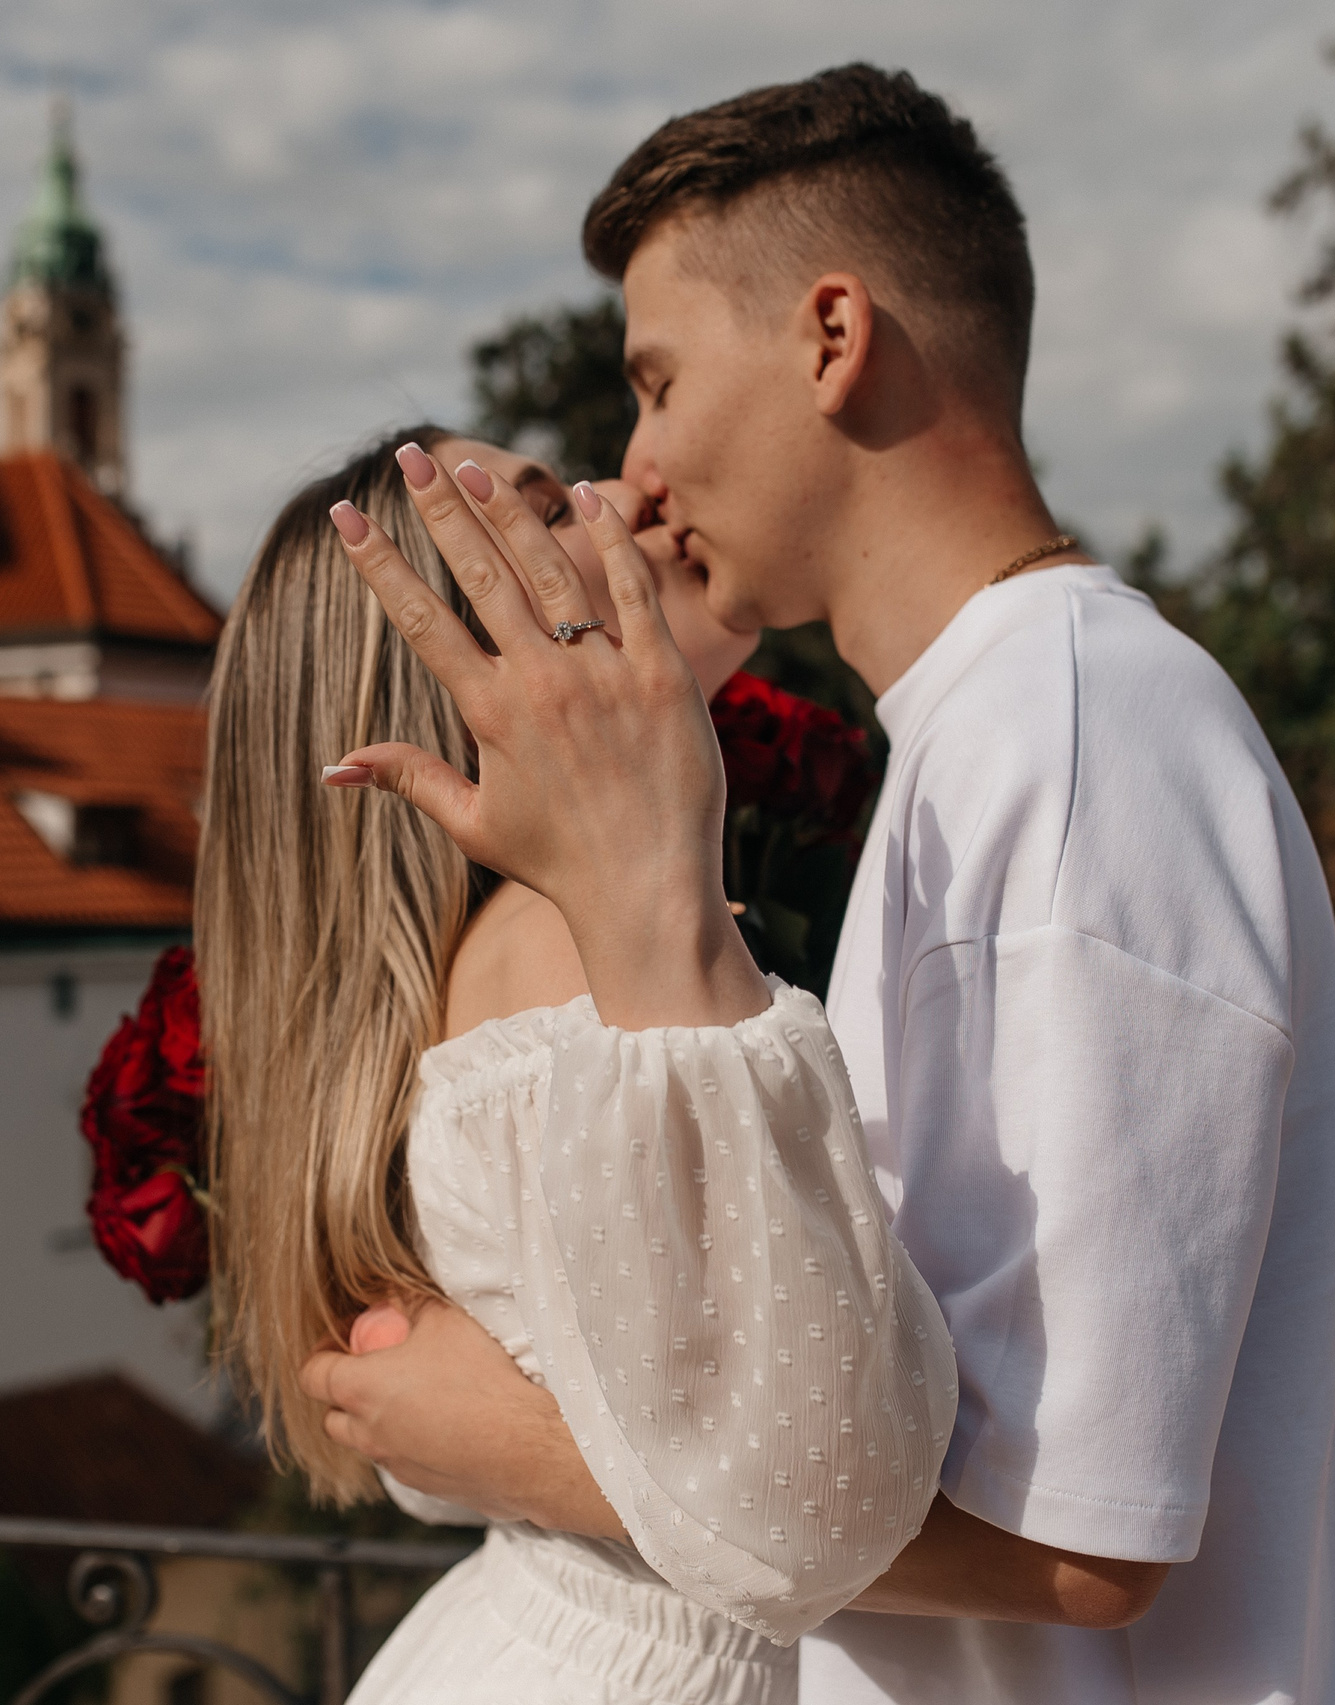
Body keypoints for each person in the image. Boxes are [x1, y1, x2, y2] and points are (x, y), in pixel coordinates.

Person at [308, 66, 1335, 1703]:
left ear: (834, 338)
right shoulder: (991, 740)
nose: (639, 473)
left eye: (658, 383)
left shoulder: (1072, 747)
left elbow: (1079, 1536)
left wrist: (535, 1454)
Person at [197, 425, 957, 1705]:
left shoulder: (519, 957)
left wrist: (523, 1451)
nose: (623, 496)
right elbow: (811, 1490)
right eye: (548, 510)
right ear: (454, 663)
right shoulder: (572, 953)